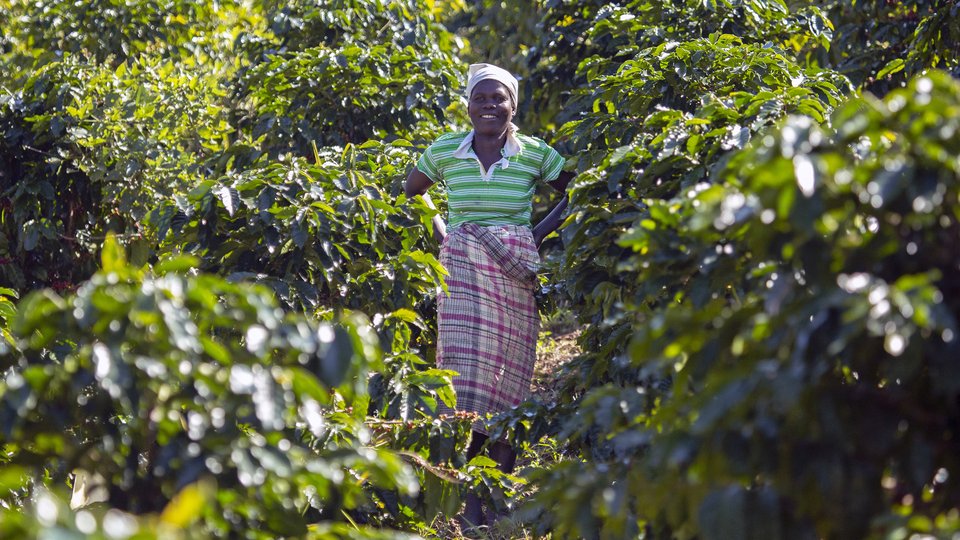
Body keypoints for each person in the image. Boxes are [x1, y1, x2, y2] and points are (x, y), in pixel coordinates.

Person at [404, 63, 573, 528]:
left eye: (498, 99)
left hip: (513, 272)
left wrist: (534, 235)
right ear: (468, 106)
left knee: (510, 377)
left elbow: (575, 190)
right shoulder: (444, 151)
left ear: (513, 106)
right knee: (468, 378)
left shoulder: (535, 153)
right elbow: (413, 189)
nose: (489, 107)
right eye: (480, 98)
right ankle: (470, 500)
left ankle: (495, 490)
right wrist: (446, 232)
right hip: (462, 272)